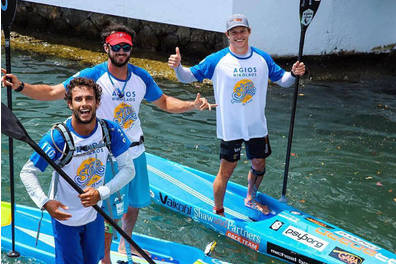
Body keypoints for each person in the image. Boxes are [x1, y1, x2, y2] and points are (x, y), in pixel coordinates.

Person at [2, 23, 212, 263]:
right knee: (107, 209)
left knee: (134, 202)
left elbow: (164, 102)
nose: (121, 51)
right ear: (106, 48)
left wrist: (191, 105)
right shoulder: (92, 76)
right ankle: (106, 257)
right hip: (103, 151)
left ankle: (126, 244)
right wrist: (20, 86)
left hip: (136, 150)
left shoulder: (141, 76)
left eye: (126, 47)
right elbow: (51, 92)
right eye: (116, 47)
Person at [168, 14, 306, 216]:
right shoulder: (217, 59)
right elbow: (187, 77)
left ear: (249, 32)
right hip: (230, 128)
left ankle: (250, 198)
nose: (239, 35)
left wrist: (294, 73)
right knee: (226, 171)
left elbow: (284, 80)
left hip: (257, 126)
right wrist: (178, 66)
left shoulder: (262, 58)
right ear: (227, 35)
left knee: (259, 164)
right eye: (234, 32)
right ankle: (218, 211)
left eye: (242, 31)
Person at [18, 77, 135, 264]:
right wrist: (45, 202)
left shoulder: (110, 131)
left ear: (97, 102)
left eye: (89, 98)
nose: (84, 104)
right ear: (69, 104)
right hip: (66, 219)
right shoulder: (57, 138)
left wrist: (101, 192)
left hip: (95, 215)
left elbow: (129, 170)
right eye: (78, 99)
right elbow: (27, 172)